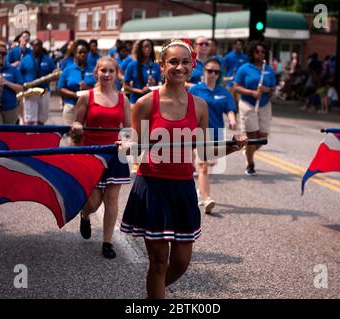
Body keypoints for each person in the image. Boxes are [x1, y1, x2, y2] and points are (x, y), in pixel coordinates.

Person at [119, 40, 247, 299]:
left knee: (181, 262)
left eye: (185, 62)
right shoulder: (145, 103)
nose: (179, 67)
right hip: (152, 187)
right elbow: (132, 150)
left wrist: (234, 147)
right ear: (162, 65)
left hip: (182, 189)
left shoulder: (200, 105)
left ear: (193, 65)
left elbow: (206, 152)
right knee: (158, 262)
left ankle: (153, 293)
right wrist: (127, 144)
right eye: (173, 62)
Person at [70, 57, 131, 259]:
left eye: (111, 71)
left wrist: (128, 141)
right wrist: (77, 128)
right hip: (91, 154)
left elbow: (129, 129)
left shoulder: (123, 99)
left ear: (116, 73)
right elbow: (77, 126)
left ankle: (107, 242)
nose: (107, 74)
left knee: (112, 199)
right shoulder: (86, 97)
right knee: (94, 202)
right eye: (103, 70)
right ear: (96, 72)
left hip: (114, 154)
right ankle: (85, 215)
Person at [189, 57, 237, 214]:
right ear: (204, 72)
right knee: (202, 166)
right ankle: (207, 198)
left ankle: (199, 190)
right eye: (210, 71)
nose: (213, 74)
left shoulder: (223, 92)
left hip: (216, 133)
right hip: (197, 133)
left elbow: (229, 108)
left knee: (208, 166)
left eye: (216, 72)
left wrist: (232, 120)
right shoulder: (195, 90)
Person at [234, 41, 276, 176]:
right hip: (248, 103)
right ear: (252, 52)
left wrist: (267, 89)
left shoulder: (268, 69)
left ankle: (248, 151)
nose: (260, 54)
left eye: (263, 51)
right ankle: (250, 164)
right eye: (257, 51)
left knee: (262, 137)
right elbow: (236, 87)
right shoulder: (245, 68)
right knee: (252, 135)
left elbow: (273, 89)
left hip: (264, 104)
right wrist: (252, 93)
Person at [57, 39, 96, 125]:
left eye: (85, 52)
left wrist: (88, 88)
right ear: (75, 54)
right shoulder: (68, 70)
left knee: (87, 136)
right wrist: (75, 95)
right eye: (80, 52)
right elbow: (60, 88)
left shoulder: (93, 70)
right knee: (72, 136)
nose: (83, 55)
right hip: (71, 107)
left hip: (89, 108)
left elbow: (99, 88)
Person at [18, 39, 56, 125]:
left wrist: (53, 75)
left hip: (44, 91)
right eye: (35, 45)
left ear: (42, 47)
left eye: (39, 45)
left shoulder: (48, 60)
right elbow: (19, 73)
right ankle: (30, 136)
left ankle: (39, 136)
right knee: (30, 119)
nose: (37, 48)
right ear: (32, 47)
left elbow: (54, 73)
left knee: (42, 119)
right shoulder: (26, 59)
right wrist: (23, 85)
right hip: (30, 92)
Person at [123, 39, 161, 106]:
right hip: (135, 102)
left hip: (152, 103)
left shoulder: (156, 66)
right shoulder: (132, 65)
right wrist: (140, 91)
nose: (148, 49)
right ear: (140, 49)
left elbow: (160, 85)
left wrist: (154, 84)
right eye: (145, 46)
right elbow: (125, 86)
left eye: (150, 46)